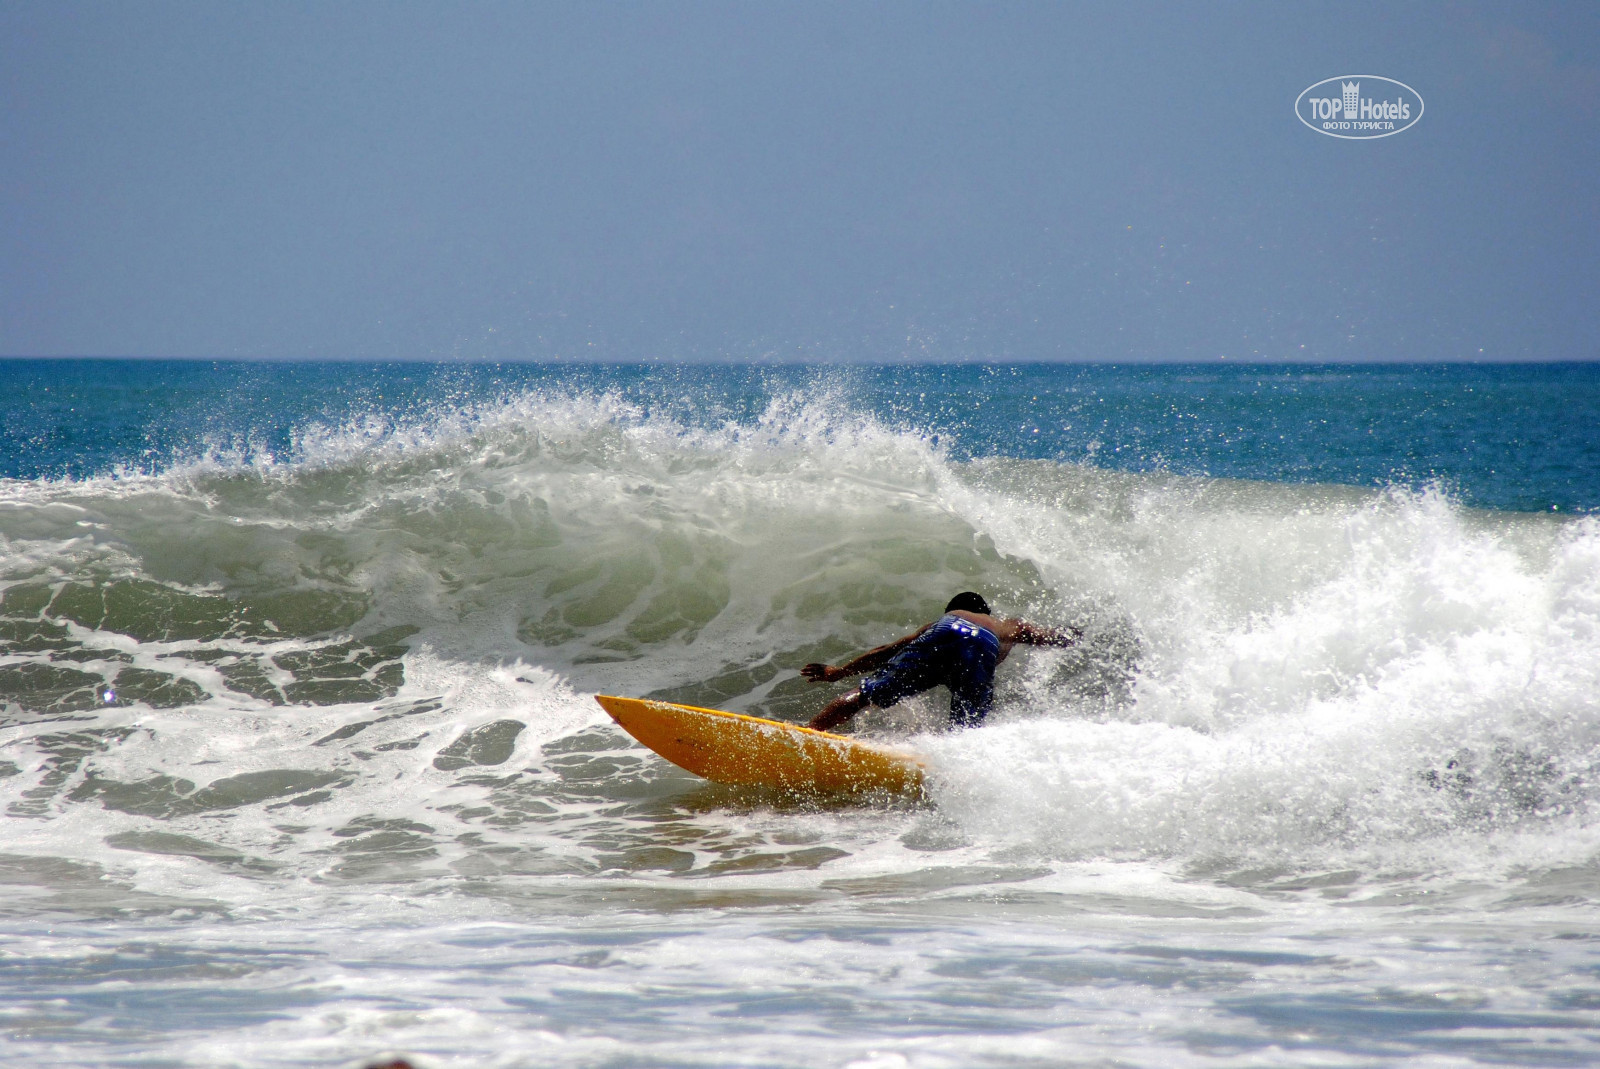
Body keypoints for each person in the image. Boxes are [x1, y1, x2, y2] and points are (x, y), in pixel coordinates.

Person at [801, 592, 1081, 732]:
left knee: (868, 694)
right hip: (984, 647)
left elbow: (888, 650)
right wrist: (1075, 636)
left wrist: (839, 672)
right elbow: (1049, 636)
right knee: (967, 727)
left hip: (946, 633)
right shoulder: (1005, 625)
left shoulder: (944, 620)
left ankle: (810, 733)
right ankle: (954, 769)